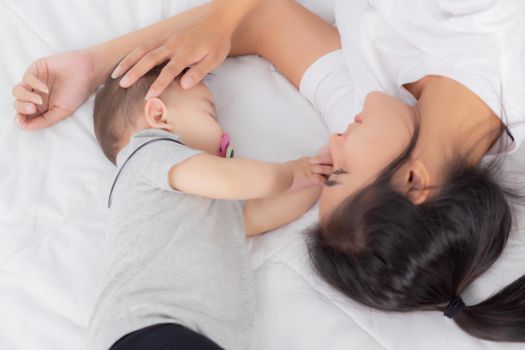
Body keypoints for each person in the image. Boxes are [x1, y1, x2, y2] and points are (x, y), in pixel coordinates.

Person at [12, 0, 525, 343]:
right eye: (341, 173)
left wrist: (97, 65)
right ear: (413, 181)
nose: (333, 144)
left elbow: (260, 20)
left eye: (333, 170)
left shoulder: (369, 113)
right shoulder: (497, 35)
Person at [88, 61, 327, 350]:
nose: (223, 131)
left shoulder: (207, 201)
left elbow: (259, 215)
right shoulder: (147, 151)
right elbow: (233, 181)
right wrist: (287, 173)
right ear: (159, 115)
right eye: (210, 112)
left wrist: (316, 175)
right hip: (149, 325)